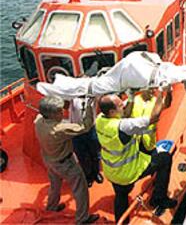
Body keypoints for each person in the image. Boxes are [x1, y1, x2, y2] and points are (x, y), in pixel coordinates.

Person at [96, 90, 176, 224]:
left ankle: (121, 222)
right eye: (120, 105)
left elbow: (125, 114)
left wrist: (131, 96)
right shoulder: (122, 126)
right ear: (112, 112)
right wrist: (162, 91)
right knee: (165, 158)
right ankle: (159, 198)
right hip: (128, 170)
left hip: (112, 170)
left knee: (121, 194)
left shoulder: (100, 120)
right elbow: (154, 118)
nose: (124, 105)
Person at [34, 96, 99, 224]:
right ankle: (82, 218)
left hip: (49, 160)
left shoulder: (38, 121)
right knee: (80, 188)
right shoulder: (60, 129)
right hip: (65, 164)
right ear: (52, 114)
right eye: (59, 111)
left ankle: (51, 207)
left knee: (54, 185)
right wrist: (89, 107)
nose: (62, 112)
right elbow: (85, 126)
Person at [69, 98, 103, 188]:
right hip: (76, 131)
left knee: (95, 154)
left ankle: (96, 173)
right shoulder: (72, 96)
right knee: (82, 156)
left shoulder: (93, 95)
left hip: (91, 129)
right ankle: (88, 176)